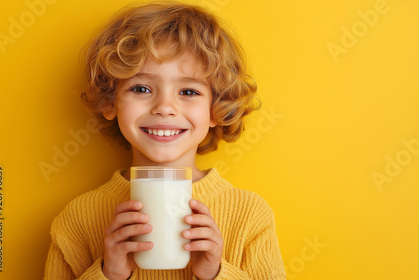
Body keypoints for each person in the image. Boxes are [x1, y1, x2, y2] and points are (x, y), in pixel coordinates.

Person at [44, 1, 286, 280]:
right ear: (111, 101)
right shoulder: (78, 219)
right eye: (141, 88)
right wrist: (108, 274)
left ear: (216, 109)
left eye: (188, 91)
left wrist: (215, 273)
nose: (164, 107)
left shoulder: (249, 215)